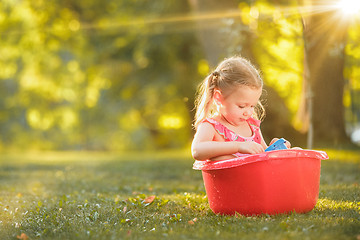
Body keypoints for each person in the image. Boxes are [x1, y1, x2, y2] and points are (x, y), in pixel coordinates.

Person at [191, 56, 291, 161]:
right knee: (224, 157)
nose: (248, 112)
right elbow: (197, 151)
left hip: (255, 176)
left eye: (252, 106)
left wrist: (274, 150)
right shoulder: (211, 125)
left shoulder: (251, 125)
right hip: (229, 177)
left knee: (296, 150)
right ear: (218, 97)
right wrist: (238, 146)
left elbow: (262, 157)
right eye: (242, 106)